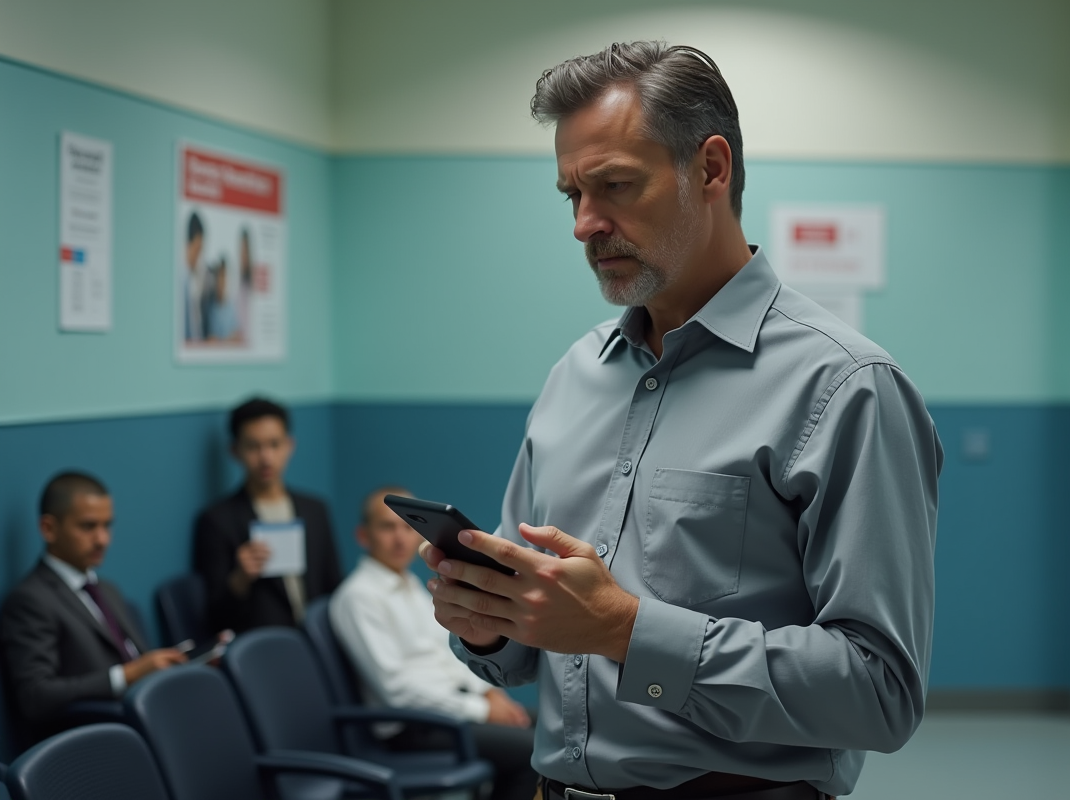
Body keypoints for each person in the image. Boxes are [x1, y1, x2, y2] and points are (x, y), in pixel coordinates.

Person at [421, 42, 942, 800]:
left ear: (711, 168)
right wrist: (488, 623)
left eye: (615, 187)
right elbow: (531, 645)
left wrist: (625, 631)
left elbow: (880, 692)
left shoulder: (847, 388)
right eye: (572, 195)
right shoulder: (575, 376)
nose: (584, 224)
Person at [330, 488, 536, 800]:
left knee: (548, 728)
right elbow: (398, 690)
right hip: (413, 727)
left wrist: (491, 694)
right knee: (530, 750)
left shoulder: (410, 585)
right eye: (387, 527)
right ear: (363, 535)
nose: (399, 538)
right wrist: (482, 710)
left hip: (451, 710)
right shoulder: (358, 597)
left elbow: (447, 652)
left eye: (405, 526)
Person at [0, 472, 187, 745]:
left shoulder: (106, 589)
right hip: (98, 740)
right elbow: (35, 695)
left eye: (107, 526)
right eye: (88, 527)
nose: (102, 540)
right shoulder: (30, 600)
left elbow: (140, 660)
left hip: (149, 719)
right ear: (49, 529)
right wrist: (126, 675)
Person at [192, 397, 342, 633]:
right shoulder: (216, 521)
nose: (266, 458)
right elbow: (213, 616)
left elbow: (333, 588)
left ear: (289, 446)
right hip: (265, 645)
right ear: (235, 451)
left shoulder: (315, 510)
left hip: (319, 638)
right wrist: (239, 579)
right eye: (253, 447)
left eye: (274, 444)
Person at [183, 211, 208, 341]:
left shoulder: (194, 281)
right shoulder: (182, 282)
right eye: (198, 249)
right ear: (189, 244)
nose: (199, 256)